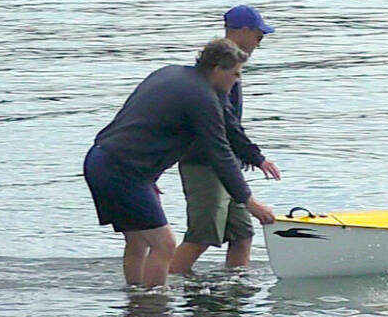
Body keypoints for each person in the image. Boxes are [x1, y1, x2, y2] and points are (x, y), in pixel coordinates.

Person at [84, 39, 276, 288]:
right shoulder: (202, 97)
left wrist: (149, 178)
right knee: (163, 244)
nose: (237, 80)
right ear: (218, 69)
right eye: (236, 74)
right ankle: (153, 306)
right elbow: (220, 152)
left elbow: (138, 125)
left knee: (138, 241)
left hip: (99, 158)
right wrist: (250, 202)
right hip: (123, 171)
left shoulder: (169, 73)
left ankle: (136, 301)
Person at [169, 5, 281, 274]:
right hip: (205, 164)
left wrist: (247, 156)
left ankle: (235, 289)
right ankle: (161, 285)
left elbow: (230, 123)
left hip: (228, 164)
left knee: (242, 233)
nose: (259, 42)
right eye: (258, 35)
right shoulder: (217, 70)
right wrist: (255, 155)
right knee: (202, 236)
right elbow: (226, 123)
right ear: (241, 31)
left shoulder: (231, 66)